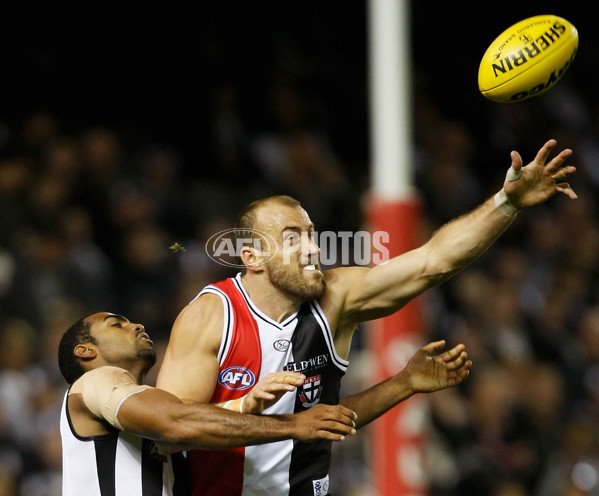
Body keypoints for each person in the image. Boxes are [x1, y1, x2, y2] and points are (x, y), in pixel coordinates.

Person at [156, 138, 575, 495]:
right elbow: (170, 436)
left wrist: (507, 203)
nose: (312, 249)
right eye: (292, 238)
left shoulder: (336, 298)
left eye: (311, 235)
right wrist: (276, 420)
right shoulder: (211, 317)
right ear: (252, 258)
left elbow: (433, 262)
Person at [58, 311, 359, 496]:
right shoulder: (93, 382)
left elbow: (184, 425)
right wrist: (293, 424)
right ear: (85, 351)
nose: (135, 324)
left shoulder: (142, 412)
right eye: (116, 325)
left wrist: (245, 405)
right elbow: (177, 424)